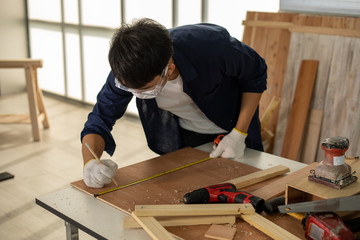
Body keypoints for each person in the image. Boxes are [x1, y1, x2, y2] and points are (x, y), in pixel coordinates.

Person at [81, 18, 267, 188]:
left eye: (144, 89)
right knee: (188, 191)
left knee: (248, 186)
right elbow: (100, 119)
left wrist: (239, 133)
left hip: (233, 127)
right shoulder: (125, 72)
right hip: (186, 133)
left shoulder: (211, 46)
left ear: (169, 70)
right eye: (131, 89)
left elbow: (255, 73)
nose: (136, 94)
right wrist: (90, 162)